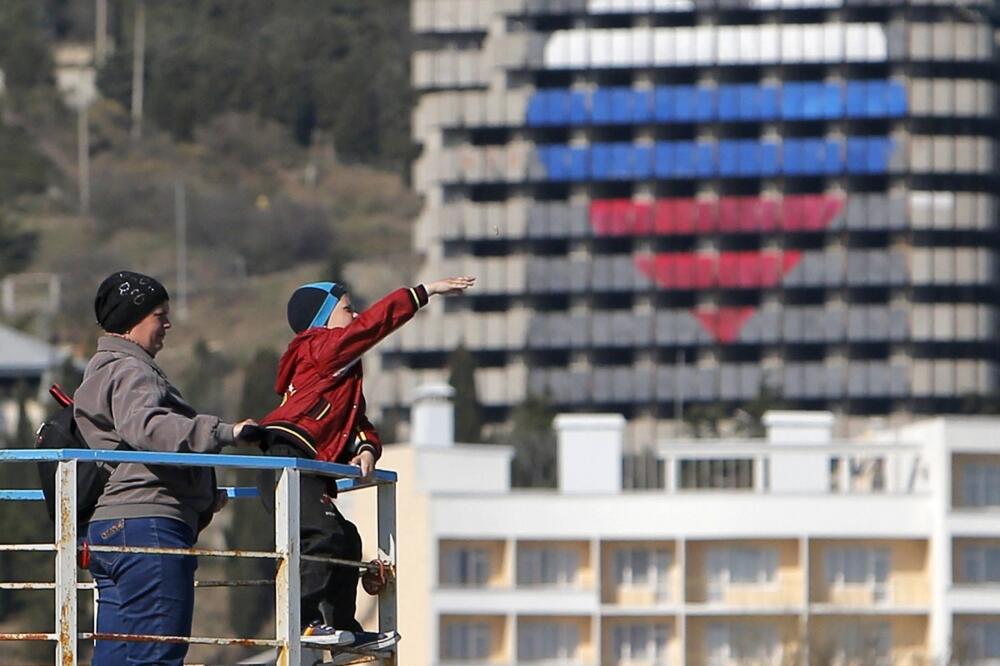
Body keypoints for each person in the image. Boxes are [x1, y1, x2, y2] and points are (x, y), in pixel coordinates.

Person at [259, 276, 475, 648]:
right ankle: (304, 621)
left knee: (346, 539)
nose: (355, 314)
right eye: (347, 309)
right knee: (322, 535)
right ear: (324, 318)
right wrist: (422, 292)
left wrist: (367, 449)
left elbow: (357, 422)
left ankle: (344, 627)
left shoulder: (339, 371)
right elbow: (372, 326)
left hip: (305, 464)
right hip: (286, 456)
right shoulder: (319, 347)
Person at [73, 270, 258, 666]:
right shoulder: (131, 370)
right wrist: (225, 432)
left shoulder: (102, 371)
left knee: (117, 658)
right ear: (132, 319)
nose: (168, 324)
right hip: (149, 528)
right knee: (157, 656)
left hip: (110, 531)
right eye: (160, 315)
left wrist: (202, 495)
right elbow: (149, 428)